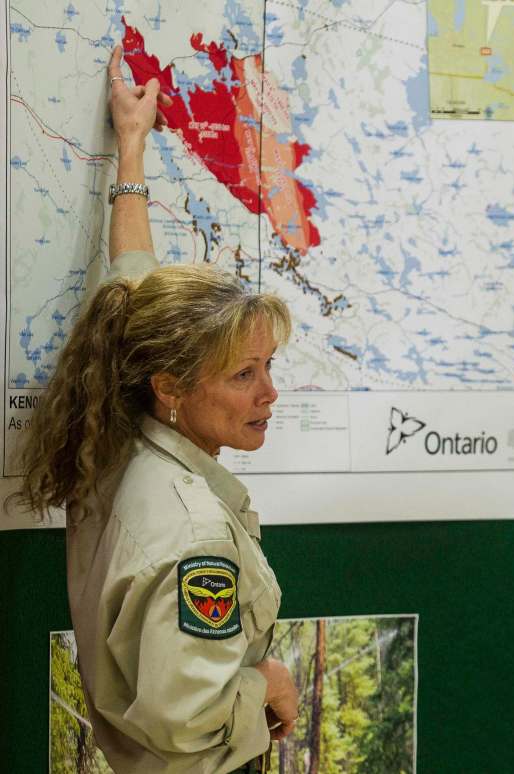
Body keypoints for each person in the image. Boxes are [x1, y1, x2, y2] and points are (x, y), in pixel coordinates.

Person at [17, 46, 298, 773]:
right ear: (171, 386)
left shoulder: (117, 431)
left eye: (269, 367)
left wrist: (132, 147)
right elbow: (189, 719)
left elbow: (132, 283)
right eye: (243, 374)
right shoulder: (193, 532)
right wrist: (266, 683)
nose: (269, 393)